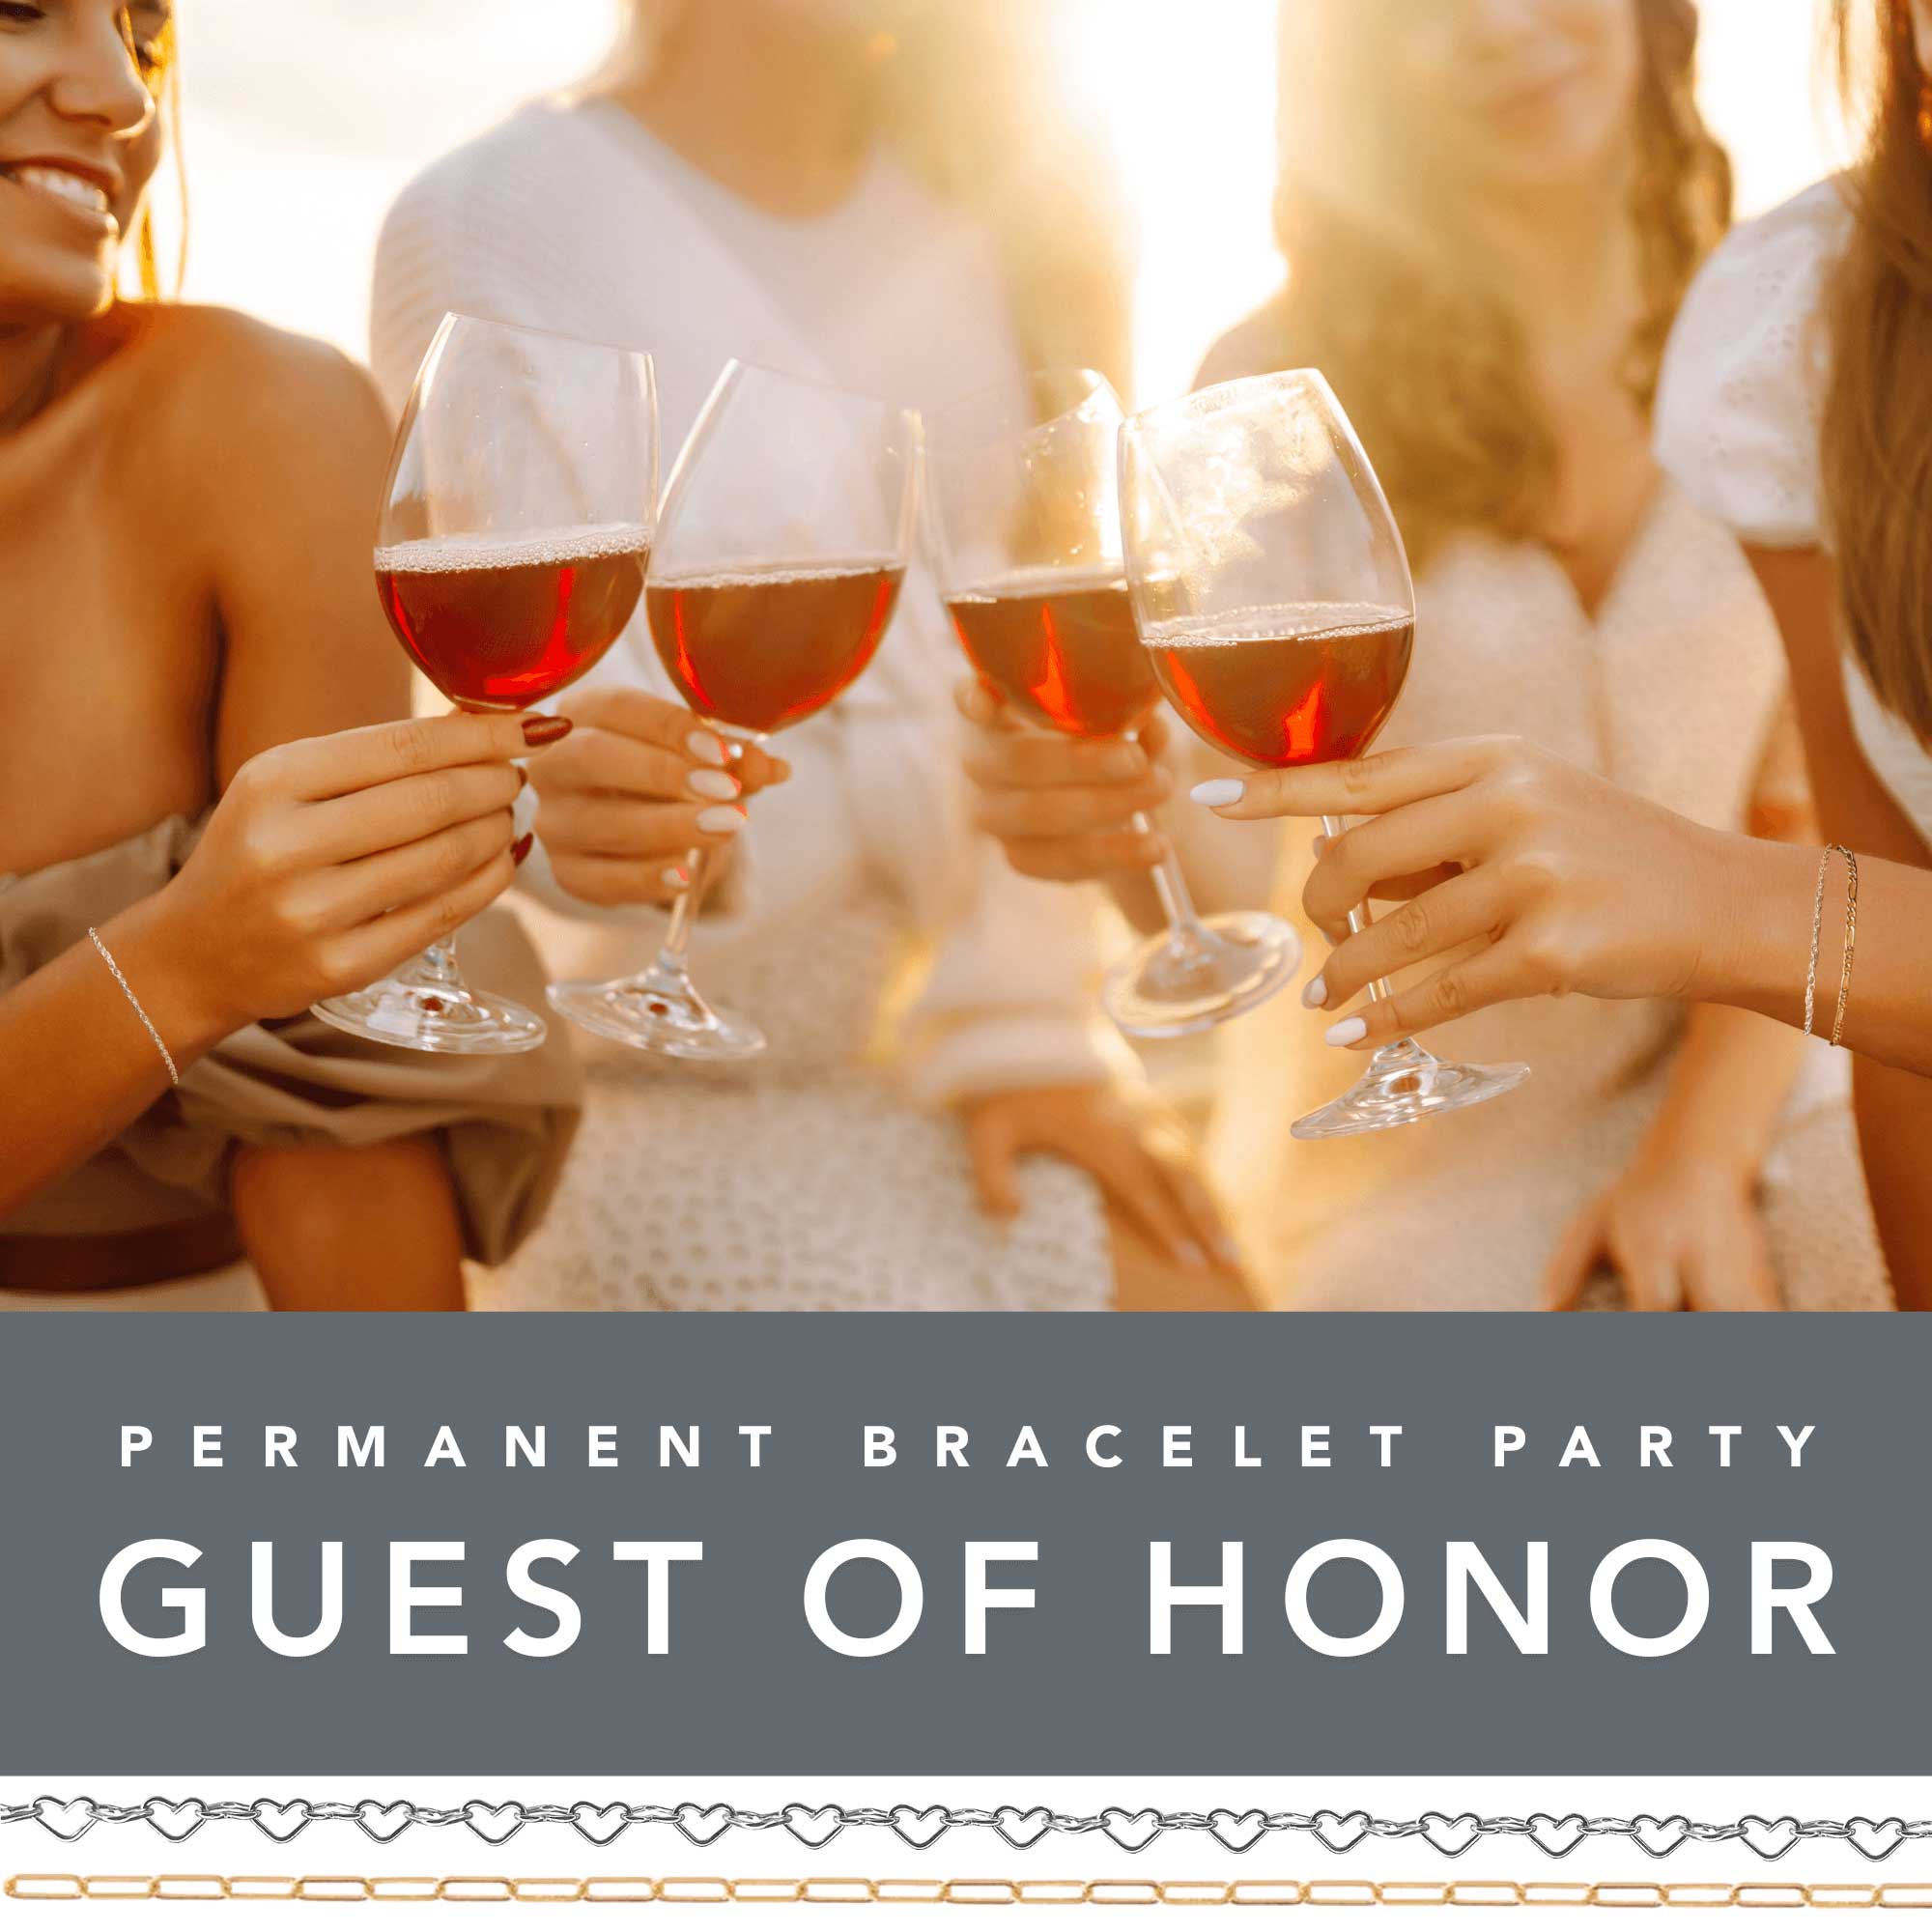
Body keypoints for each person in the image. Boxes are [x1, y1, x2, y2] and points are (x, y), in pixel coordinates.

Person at [957, 0, 1889, 1313]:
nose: (1501, 27)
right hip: (1418, 1138)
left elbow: (1827, 812)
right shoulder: (1270, 387)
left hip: (1758, 1069)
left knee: (1866, 1248)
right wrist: (1110, 822)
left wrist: (1697, 1160)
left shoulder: (1791, 332)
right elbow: (1249, 856)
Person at [370, 0, 1244, 1311]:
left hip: (956, 1058)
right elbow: (545, 754)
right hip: (660, 1080)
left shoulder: (1019, 212)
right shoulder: (493, 219)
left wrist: (1026, 1036)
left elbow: (1045, 685)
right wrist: (629, 825)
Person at [0, 0, 581, 1311]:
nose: (121, 96)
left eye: (142, 35)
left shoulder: (260, 418)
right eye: (18, 12)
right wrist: (181, 963)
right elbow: (235, 968)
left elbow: (333, 1090)